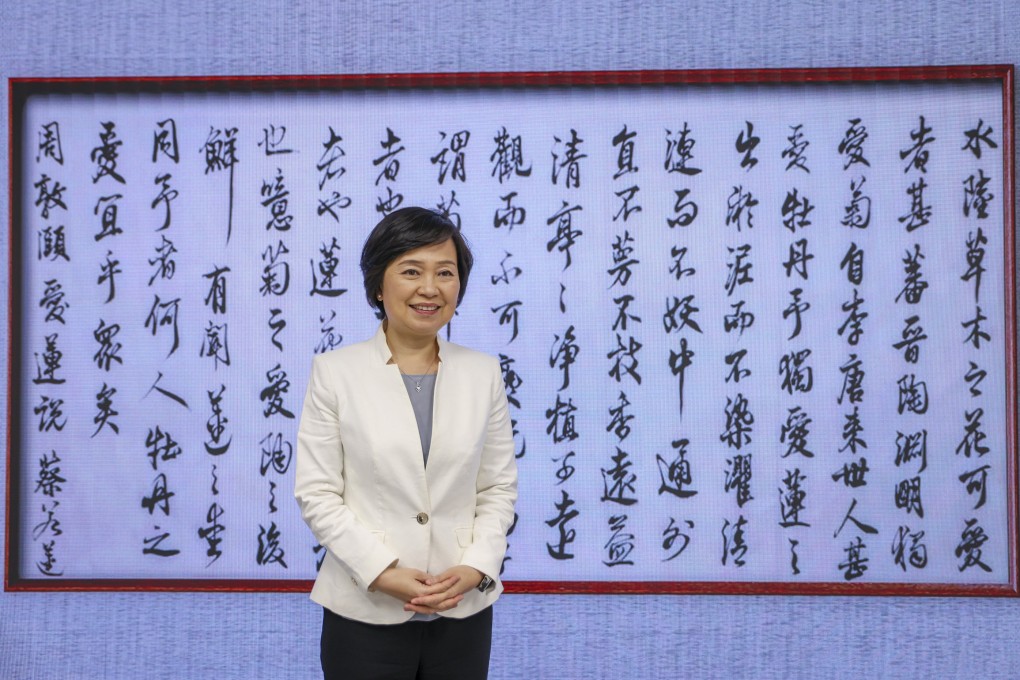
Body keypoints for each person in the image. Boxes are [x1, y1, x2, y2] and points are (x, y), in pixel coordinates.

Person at [295, 207, 518, 680]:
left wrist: (476, 567)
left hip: (461, 610)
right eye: (411, 271)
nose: (430, 288)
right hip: (364, 609)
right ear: (379, 284)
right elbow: (317, 493)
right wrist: (381, 571)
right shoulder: (335, 373)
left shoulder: (483, 373)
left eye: (445, 273)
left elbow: (497, 488)